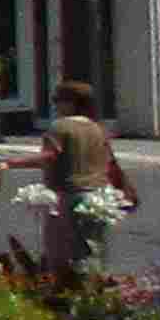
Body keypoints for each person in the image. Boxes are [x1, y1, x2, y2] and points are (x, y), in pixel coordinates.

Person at [41, 90, 129, 276]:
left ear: (72, 103)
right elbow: (110, 162)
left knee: (63, 249)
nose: (55, 105)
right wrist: (122, 189)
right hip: (99, 195)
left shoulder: (59, 127)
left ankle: (71, 291)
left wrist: (10, 163)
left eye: (59, 100)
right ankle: (96, 288)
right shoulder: (97, 128)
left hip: (69, 193)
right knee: (94, 246)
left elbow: (50, 156)